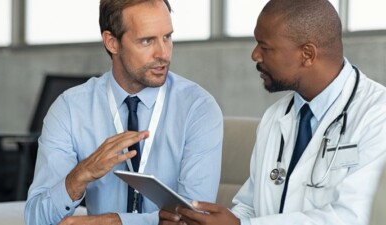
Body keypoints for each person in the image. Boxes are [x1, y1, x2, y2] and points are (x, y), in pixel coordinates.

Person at [159, 0, 386, 224]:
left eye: (265, 47)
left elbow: (356, 216)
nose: (255, 55)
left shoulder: (377, 115)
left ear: (307, 54)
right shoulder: (275, 117)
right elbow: (250, 207)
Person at [24, 0, 223, 224]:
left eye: (167, 37)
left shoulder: (198, 108)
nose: (163, 53)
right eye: (147, 41)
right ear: (112, 42)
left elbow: (195, 219)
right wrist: (80, 176)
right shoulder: (70, 109)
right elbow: (37, 219)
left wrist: (115, 221)